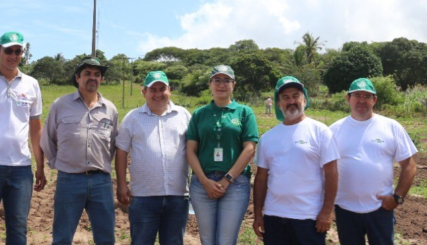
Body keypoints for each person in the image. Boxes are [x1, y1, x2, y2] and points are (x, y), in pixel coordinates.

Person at [0, 32, 44, 245]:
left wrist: (40, 165)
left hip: (21, 168)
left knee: (18, 228)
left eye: (18, 51)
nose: (13, 55)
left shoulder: (31, 84)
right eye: (8, 50)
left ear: (23, 53)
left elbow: (35, 128)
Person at [330, 78, 418, 245]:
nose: (362, 100)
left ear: (374, 100)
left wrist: (397, 197)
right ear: (348, 98)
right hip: (345, 210)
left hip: (380, 209)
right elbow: (324, 169)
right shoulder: (334, 130)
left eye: (367, 96)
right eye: (357, 95)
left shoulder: (391, 126)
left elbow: (410, 166)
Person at [41, 57, 119, 245]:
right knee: (62, 237)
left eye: (97, 75)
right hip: (69, 180)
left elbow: (113, 144)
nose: (92, 78)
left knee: (106, 237)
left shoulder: (110, 109)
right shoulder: (61, 105)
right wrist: (55, 163)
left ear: (101, 80)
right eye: (87, 74)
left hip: (101, 181)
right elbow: (48, 138)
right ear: (77, 78)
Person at [252, 76, 339, 245]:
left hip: (308, 217)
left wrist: (327, 212)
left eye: (295, 96)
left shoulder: (320, 132)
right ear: (278, 104)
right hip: (274, 216)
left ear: (304, 100)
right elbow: (261, 178)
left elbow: (332, 174)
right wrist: (257, 215)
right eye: (285, 98)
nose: (291, 101)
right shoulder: (268, 138)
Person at [115, 71, 191, 245]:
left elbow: (194, 149)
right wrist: (121, 184)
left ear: (169, 90)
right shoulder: (133, 118)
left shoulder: (183, 115)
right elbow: (121, 151)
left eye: (162, 89)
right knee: (141, 241)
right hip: (143, 196)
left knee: (173, 242)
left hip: (177, 195)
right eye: (153, 89)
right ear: (144, 92)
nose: (158, 94)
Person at [185, 65, 259, 245]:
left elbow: (249, 148)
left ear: (234, 84)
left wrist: (227, 179)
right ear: (210, 84)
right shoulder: (199, 114)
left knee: (226, 240)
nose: (221, 84)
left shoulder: (244, 112)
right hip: (203, 184)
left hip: (235, 184)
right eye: (217, 80)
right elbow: (190, 150)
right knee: (207, 239)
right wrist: (204, 181)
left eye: (227, 80)